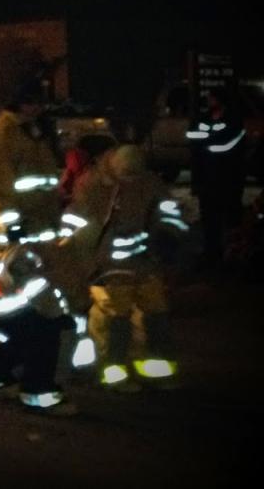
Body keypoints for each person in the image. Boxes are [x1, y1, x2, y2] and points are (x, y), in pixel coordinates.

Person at [0, 77, 78, 415]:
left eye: (40, 101)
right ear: (15, 101)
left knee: (34, 316)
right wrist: (13, 226)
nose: (38, 107)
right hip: (15, 244)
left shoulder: (33, 136)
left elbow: (43, 189)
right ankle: (37, 389)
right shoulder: (1, 138)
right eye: (31, 100)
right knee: (40, 318)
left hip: (38, 239)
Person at [67, 145, 185, 391]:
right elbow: (80, 227)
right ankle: (114, 373)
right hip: (108, 266)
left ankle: (154, 367)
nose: (130, 182)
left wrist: (168, 234)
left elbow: (168, 210)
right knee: (115, 321)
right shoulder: (92, 185)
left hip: (144, 262)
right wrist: (87, 267)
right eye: (125, 177)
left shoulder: (149, 182)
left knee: (156, 314)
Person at [187, 89, 246, 270]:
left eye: (213, 98)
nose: (209, 100)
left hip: (229, 180)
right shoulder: (202, 118)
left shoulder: (234, 120)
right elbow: (192, 138)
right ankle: (211, 253)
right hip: (206, 180)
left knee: (230, 219)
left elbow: (225, 145)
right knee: (209, 219)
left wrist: (206, 139)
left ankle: (233, 255)